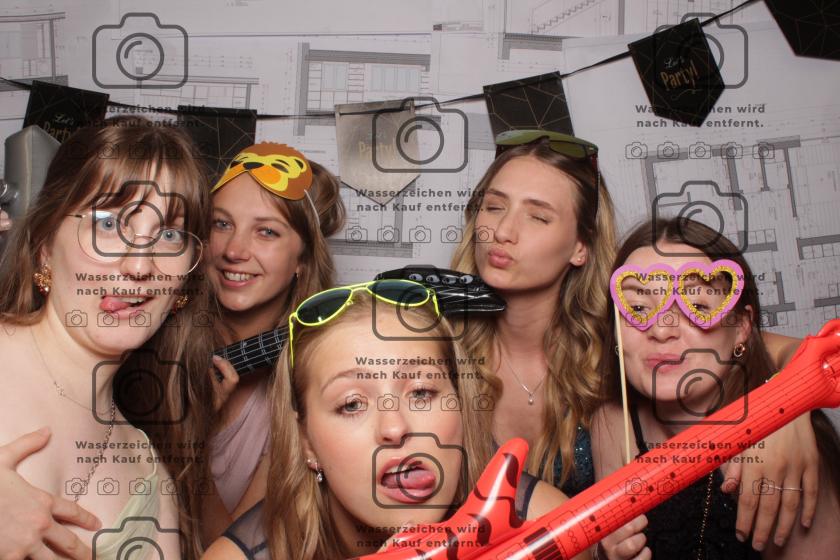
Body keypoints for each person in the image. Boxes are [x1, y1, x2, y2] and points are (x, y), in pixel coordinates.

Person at [450, 130, 821, 546]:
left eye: (538, 216)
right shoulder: (434, 345)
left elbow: (763, 348)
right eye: (494, 206)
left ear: (580, 247)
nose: (502, 231)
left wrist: (782, 411)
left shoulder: (625, 341)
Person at [202, 282, 595, 560]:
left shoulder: (546, 527)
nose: (394, 428)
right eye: (352, 404)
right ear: (306, 441)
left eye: (421, 392)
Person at [0, 115, 215, 558]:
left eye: (169, 234)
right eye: (108, 224)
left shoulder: (150, 479)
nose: (139, 266)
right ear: (45, 245)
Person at [593, 217, 840, 559]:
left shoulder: (776, 452)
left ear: (741, 328)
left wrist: (785, 406)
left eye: (696, 306)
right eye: (637, 308)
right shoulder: (611, 423)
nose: (661, 330)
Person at [200, 143, 345, 541]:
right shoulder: (150, 343)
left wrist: (189, 437)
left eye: (266, 231)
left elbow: (230, 549)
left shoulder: (309, 389)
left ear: (303, 260)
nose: (234, 250)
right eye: (221, 224)